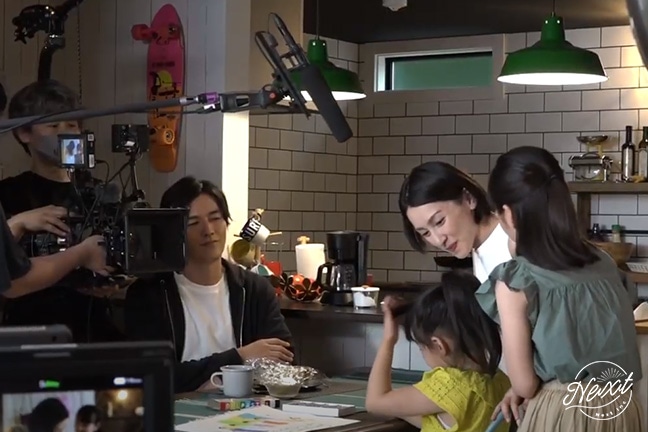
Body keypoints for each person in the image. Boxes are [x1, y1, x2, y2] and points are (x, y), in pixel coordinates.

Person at [477, 146, 643, 431]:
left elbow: (524, 385)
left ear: (509, 214)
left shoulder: (516, 280)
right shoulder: (603, 261)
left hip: (565, 411)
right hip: (621, 408)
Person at [125, 176, 293, 393]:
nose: (208, 230)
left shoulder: (255, 290)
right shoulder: (148, 295)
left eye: (215, 218)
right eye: (193, 223)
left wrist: (209, 380)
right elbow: (152, 374)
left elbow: (284, 360)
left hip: (249, 408)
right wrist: (240, 357)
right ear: (172, 232)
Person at [0, 79, 122, 342]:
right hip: (30, 331)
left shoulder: (101, 192)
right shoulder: (8, 194)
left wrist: (114, 282)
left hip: (96, 331)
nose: (66, 133)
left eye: (72, 125)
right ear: (24, 133)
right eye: (53, 126)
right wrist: (18, 222)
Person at [365, 271, 510, 432]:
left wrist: (388, 340)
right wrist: (396, 406)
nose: (422, 353)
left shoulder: (450, 386)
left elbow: (374, 402)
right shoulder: (501, 383)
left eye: (422, 347)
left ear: (439, 345)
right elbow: (437, 423)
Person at [399, 161, 511, 283]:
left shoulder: (513, 245)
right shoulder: (479, 247)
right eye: (425, 233)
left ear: (469, 199)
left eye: (439, 221)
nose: (438, 241)